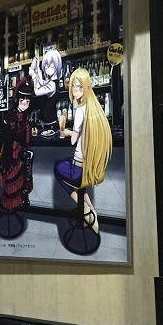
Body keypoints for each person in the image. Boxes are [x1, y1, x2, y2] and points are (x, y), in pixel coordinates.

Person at [53, 68, 112, 234]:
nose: (75, 90)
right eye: (73, 86)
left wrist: (65, 132)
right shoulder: (95, 109)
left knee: (57, 168)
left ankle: (84, 209)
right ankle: (91, 210)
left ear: (86, 88)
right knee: (69, 168)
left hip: (80, 173)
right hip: (93, 170)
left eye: (79, 86)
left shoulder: (80, 111)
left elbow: (73, 140)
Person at [0, 76, 34, 212]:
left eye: (27, 102)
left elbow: (25, 137)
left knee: (22, 177)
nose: (25, 104)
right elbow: (8, 136)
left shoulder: (24, 116)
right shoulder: (11, 115)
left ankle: (19, 201)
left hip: (18, 153)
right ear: (17, 100)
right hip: (10, 155)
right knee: (13, 179)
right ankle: (12, 205)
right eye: (22, 101)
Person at [29, 46, 63, 137]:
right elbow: (41, 82)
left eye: (52, 66)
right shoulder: (51, 82)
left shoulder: (52, 84)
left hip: (50, 124)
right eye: (46, 65)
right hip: (46, 122)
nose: (48, 68)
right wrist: (37, 68)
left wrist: (34, 73)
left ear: (57, 66)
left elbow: (37, 91)